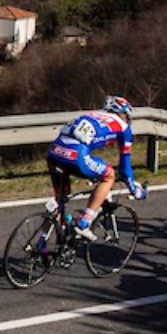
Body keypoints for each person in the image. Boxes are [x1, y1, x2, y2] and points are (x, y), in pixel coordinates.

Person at [46, 96, 146, 241]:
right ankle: (84, 223)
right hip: (76, 155)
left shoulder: (91, 114)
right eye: (127, 116)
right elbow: (125, 167)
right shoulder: (123, 128)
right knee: (109, 176)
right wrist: (134, 189)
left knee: (60, 201)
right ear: (122, 113)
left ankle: (41, 243)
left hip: (54, 153)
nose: (127, 119)